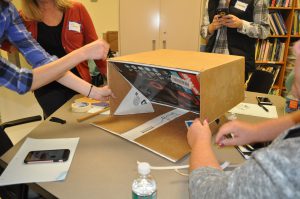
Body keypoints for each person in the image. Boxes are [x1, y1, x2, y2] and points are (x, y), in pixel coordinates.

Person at [187, 40, 300, 198]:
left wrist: (199, 141)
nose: (295, 47)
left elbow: (210, 191)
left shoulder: (288, 163)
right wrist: (256, 131)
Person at [5, 0, 106, 118]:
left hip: (76, 80)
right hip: (47, 88)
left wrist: (96, 91)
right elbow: (23, 80)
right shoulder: (21, 18)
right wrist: (83, 53)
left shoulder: (76, 8)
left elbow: (46, 64)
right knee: (65, 121)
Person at [201, 0, 270, 81]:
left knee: (231, 93)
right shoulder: (210, 1)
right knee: (208, 92)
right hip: (211, 61)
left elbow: (264, 31)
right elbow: (203, 31)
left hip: (237, 64)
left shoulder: (258, 1)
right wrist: (211, 27)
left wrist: (241, 24)